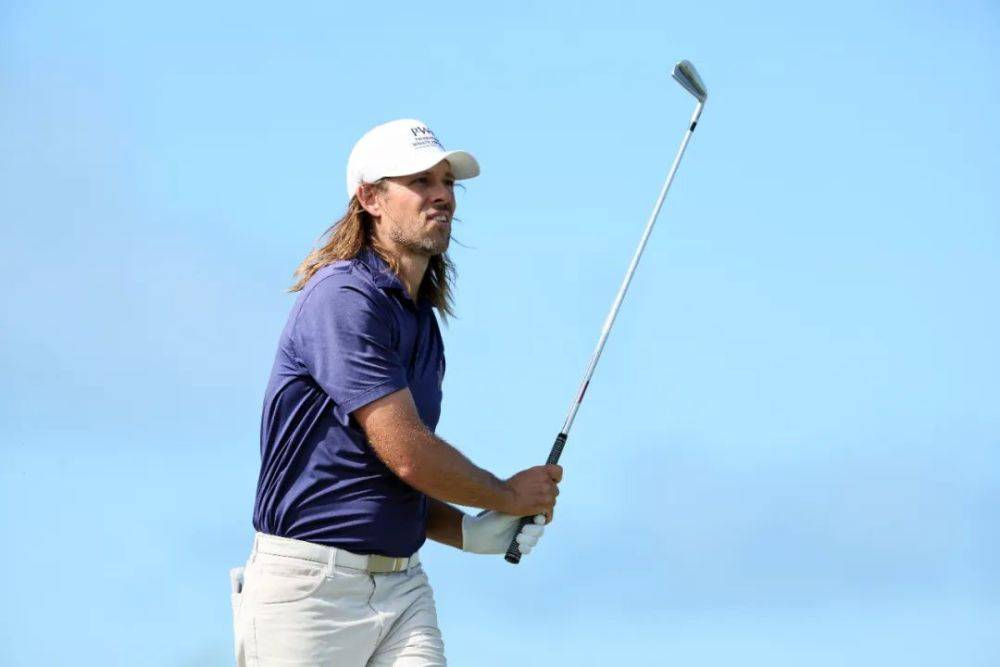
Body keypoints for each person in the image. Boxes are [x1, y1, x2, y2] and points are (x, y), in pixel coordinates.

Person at [230, 119, 563, 666]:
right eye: (420, 181)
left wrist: (468, 532)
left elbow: (384, 477)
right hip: (307, 594)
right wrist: (505, 496)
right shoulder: (342, 297)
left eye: (447, 182)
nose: (442, 196)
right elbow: (408, 453)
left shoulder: (421, 320)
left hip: (402, 587)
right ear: (370, 199)